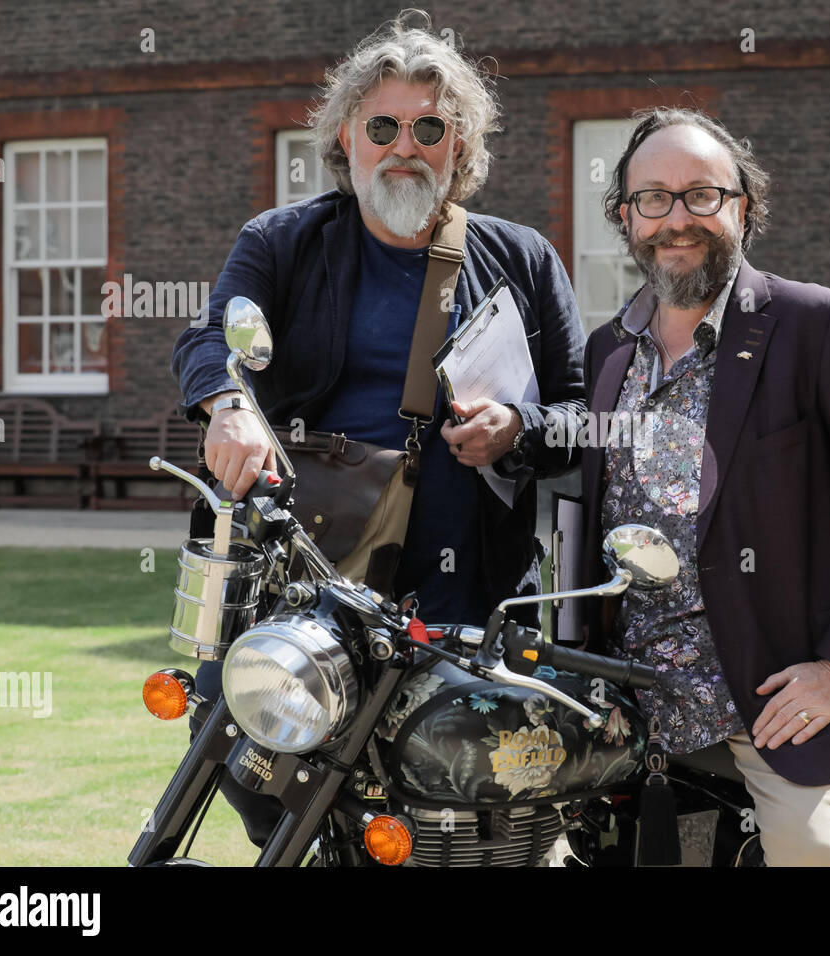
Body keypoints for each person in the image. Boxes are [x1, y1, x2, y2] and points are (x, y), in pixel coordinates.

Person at [170, 12, 585, 846]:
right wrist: (231, 405)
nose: (407, 145)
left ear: (459, 146)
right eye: (383, 126)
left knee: (459, 800)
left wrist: (519, 427)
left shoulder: (525, 255)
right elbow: (209, 339)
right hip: (304, 587)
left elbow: (582, 410)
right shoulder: (283, 242)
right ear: (346, 139)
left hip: (470, 591)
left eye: (431, 126)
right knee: (254, 768)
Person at [577, 107, 830, 866]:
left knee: (805, 853)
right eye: (653, 199)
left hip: (772, 705)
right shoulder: (608, 351)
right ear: (626, 218)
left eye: (701, 195)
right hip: (625, 699)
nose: (676, 219)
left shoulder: (818, 326)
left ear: (741, 207)